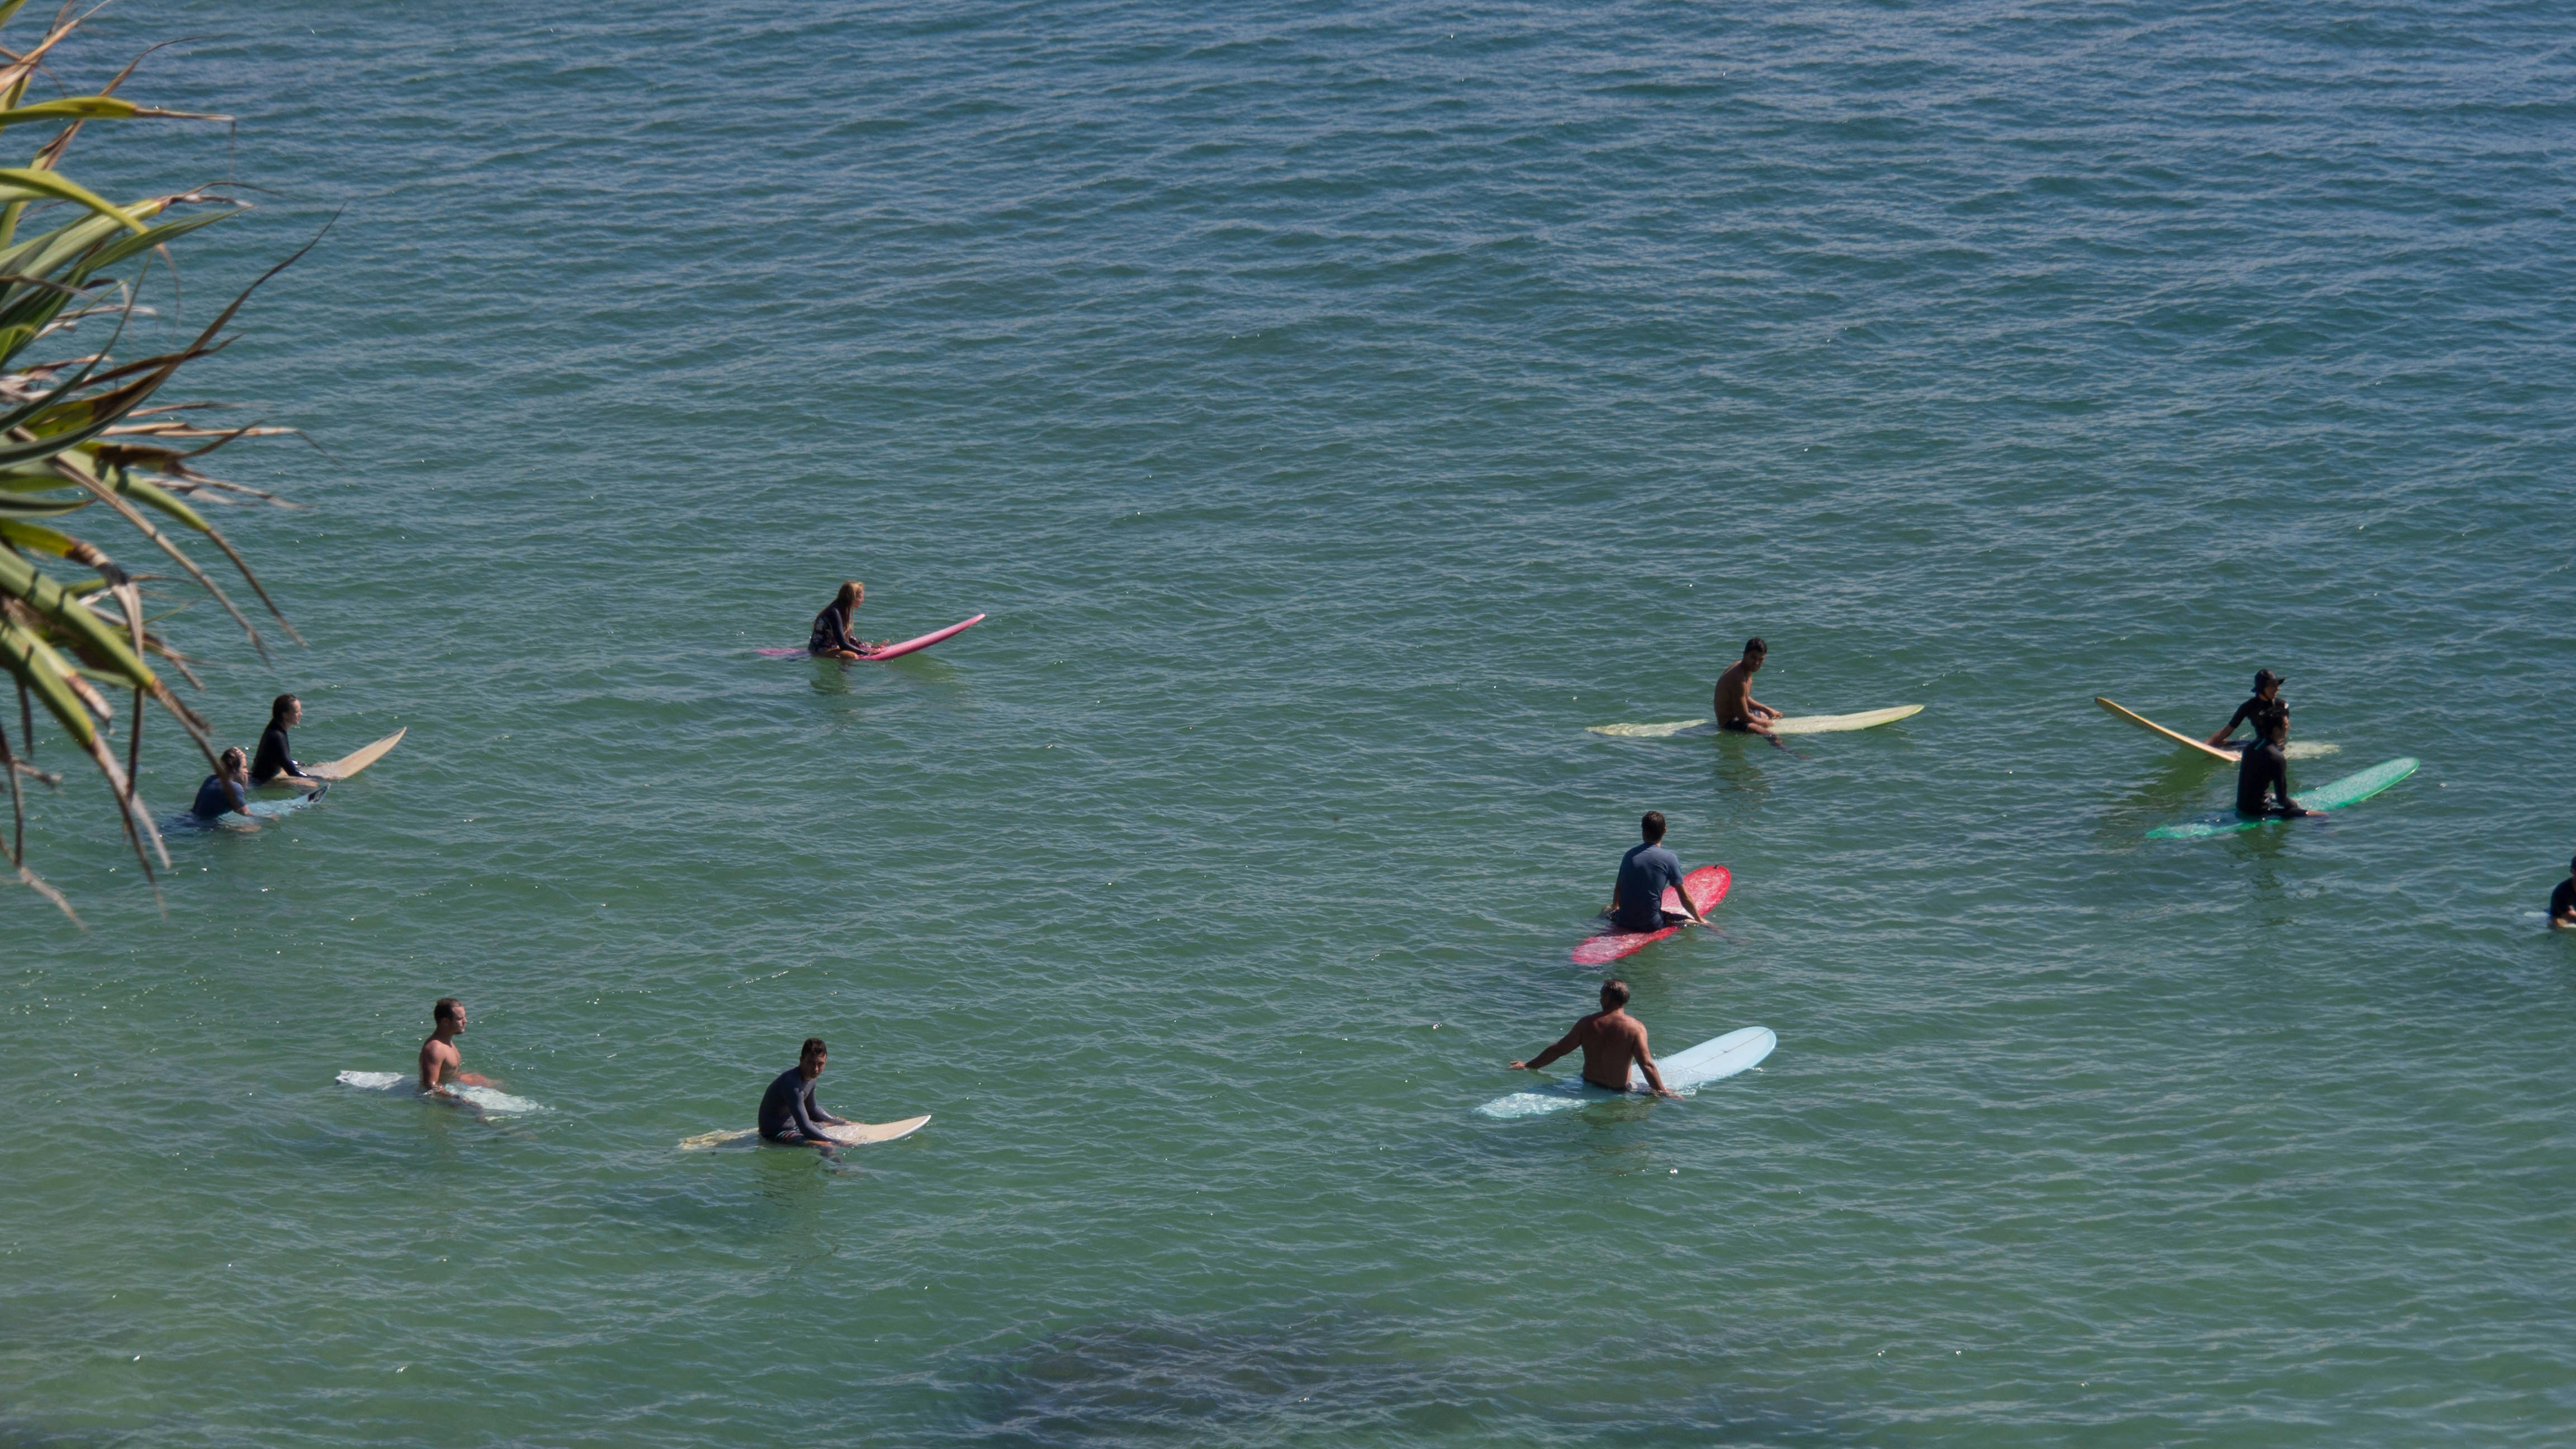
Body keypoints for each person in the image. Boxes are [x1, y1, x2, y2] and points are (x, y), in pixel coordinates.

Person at [1508, 979, 1678, 1098]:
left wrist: (1528, 1065)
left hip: (1588, 1083)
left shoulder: (1588, 1023)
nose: (1599, 999)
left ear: (1608, 999)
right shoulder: (1636, 1028)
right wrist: (1662, 1092)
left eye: (1601, 995)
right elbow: (1647, 1065)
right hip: (1619, 1090)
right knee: (1665, 1091)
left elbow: (1559, 1050)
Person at [1607, 810, 1710, 933]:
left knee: (1606, 909)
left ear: (1643, 831)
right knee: (1691, 921)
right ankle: (1717, 931)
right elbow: (1684, 897)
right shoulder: (1669, 858)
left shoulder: (1629, 855)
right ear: (1664, 831)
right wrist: (1699, 919)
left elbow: (1619, 888)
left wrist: (1615, 908)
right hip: (1651, 925)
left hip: (1623, 921)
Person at [759, 1037, 853, 1149]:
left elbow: (812, 1109)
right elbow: (805, 1128)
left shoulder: (811, 1079)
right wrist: (838, 1142)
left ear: (826, 1061)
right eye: (811, 1063)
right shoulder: (793, 1084)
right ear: (801, 1060)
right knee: (826, 1145)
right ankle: (834, 1161)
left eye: (820, 1064)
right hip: (776, 1133)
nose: (816, 1069)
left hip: (795, 1126)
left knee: (834, 1123)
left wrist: (841, 1123)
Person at [2233, 712, 2317, 820]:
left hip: (2241, 807)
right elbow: (2282, 800)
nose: (2289, 727)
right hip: (2260, 812)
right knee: (2320, 815)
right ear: (2276, 730)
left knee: (2271, 795)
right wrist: (2295, 805)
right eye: (2286, 725)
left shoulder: (2250, 748)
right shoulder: (2277, 757)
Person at [418, 998, 498, 1096]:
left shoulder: (446, 1042)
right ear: (446, 1022)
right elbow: (429, 1086)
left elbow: (448, 1071)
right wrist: (458, 1100)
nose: (466, 1021)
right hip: (446, 1093)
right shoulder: (435, 1049)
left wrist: (472, 1079)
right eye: (460, 1019)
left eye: (464, 1017)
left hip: (453, 1082)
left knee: (495, 1083)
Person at [1713, 637, 1782, 745]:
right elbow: (1744, 717)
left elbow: (1743, 697)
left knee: (1766, 715)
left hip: (1739, 715)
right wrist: (1765, 723)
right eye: (1753, 658)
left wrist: (1768, 710)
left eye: (1761, 659)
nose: (1757, 663)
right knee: (1771, 735)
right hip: (1729, 722)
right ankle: (1788, 752)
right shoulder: (1738, 678)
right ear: (1744, 654)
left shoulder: (1745, 670)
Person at [2208, 669, 2289, 750]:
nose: (2277, 689)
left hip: (2277, 747)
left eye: (2277, 685)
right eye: (2273, 686)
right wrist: (2207, 746)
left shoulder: (2282, 705)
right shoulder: (2249, 706)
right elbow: (2228, 729)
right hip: (2259, 743)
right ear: (2262, 688)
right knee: (2220, 743)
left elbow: (2284, 730)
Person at [250, 693, 318, 787]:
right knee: (310, 784)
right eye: (297, 712)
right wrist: (320, 778)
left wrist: (306, 765)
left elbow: (284, 759)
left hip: (260, 778)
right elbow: (293, 772)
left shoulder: (274, 727)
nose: (301, 714)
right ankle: (303, 796)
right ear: (285, 715)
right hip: (261, 784)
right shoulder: (276, 736)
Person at [808, 581, 878, 660]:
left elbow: (848, 637)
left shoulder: (842, 609)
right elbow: (843, 644)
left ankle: (844, 666)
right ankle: (844, 667)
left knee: (867, 644)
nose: (863, 601)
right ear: (852, 598)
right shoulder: (834, 612)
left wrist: (871, 647)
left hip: (833, 647)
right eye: (860, 598)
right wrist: (867, 653)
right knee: (852, 656)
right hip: (819, 651)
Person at [190, 746, 252, 820]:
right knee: (251, 827)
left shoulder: (211, 779)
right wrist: (264, 818)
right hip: (203, 826)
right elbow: (246, 814)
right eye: (244, 767)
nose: (247, 771)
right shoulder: (234, 788)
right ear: (235, 769)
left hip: (189, 818)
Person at [2550, 856, 2576, 929]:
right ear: (2573, 871)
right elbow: (2571, 917)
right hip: (2561, 915)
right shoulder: (2561, 892)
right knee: (2557, 924)